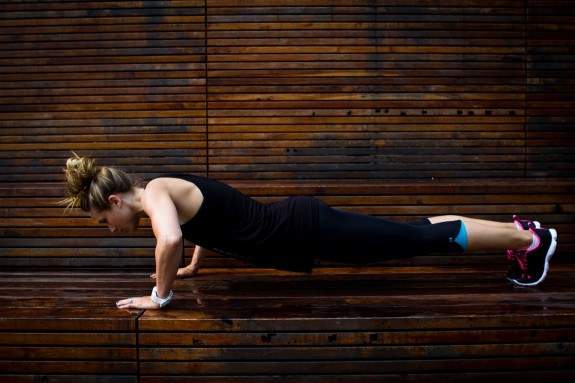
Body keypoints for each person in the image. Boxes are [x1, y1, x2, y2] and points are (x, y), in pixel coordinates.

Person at [58, 151, 559, 310]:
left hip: (305, 231)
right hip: (303, 234)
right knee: (412, 236)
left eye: (105, 220)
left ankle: (528, 239)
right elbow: (203, 228)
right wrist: (192, 266)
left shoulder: (160, 193)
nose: (111, 228)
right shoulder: (162, 198)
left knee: (418, 239)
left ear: (116, 200)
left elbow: (170, 238)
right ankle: (521, 234)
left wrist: (159, 296)